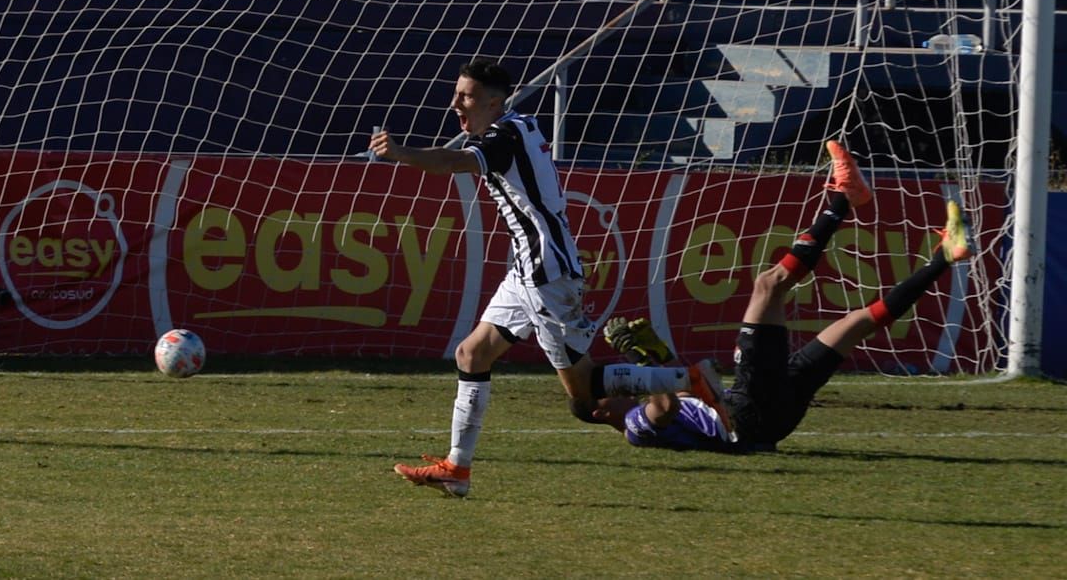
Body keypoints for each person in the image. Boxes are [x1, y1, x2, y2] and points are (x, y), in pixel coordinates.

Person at [370, 58, 724, 496]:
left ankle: (687, 380)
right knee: (472, 354)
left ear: (495, 102)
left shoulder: (504, 134)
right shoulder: (516, 127)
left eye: (466, 96)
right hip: (527, 269)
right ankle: (456, 471)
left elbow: (458, 161)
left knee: (583, 393)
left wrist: (403, 153)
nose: (456, 103)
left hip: (546, 273)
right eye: (457, 93)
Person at [593, 142, 975, 452]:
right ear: (599, 410)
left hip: (767, 420)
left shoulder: (649, 414)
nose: (617, 385)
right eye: (606, 389)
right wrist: (643, 363)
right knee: (769, 285)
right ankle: (844, 197)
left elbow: (682, 389)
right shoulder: (632, 426)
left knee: (853, 324)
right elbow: (666, 406)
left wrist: (657, 357)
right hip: (746, 414)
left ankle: (945, 255)